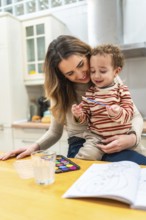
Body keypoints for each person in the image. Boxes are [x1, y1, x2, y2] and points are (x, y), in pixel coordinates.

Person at [0, 35, 145, 164]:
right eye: (70, 73)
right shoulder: (60, 92)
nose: (81, 74)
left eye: (81, 65)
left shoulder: (106, 75)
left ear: (87, 55)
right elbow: (55, 132)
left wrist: (132, 139)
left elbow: (135, 116)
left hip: (117, 139)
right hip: (82, 144)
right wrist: (33, 147)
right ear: (63, 76)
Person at [71, 44, 135, 160]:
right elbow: (86, 118)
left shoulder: (122, 90)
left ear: (116, 71)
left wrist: (118, 113)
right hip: (97, 137)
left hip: (121, 137)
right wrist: (79, 115)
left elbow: (129, 114)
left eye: (103, 71)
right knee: (86, 156)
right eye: (92, 71)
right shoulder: (90, 93)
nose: (96, 75)